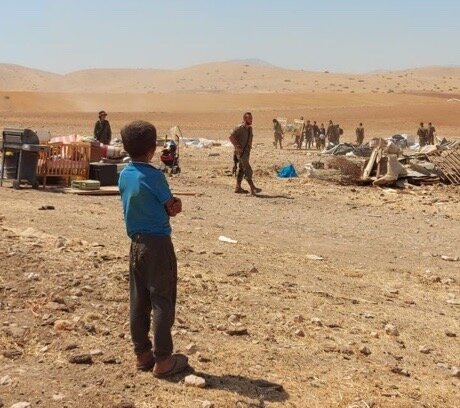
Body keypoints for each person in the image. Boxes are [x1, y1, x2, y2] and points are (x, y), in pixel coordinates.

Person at [118, 120, 189, 378]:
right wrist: (176, 204)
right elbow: (171, 207)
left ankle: (142, 354)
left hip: (136, 244)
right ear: (151, 149)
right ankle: (164, 360)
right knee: (162, 300)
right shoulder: (155, 176)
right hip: (158, 244)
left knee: (138, 301)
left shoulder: (124, 174)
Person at [229, 112, 262, 195]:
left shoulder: (250, 129)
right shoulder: (239, 128)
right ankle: (253, 188)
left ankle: (238, 187)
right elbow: (231, 137)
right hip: (240, 153)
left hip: (246, 152)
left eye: (251, 118)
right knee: (248, 169)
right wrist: (237, 147)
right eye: (249, 118)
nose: (251, 120)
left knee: (242, 169)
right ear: (244, 119)